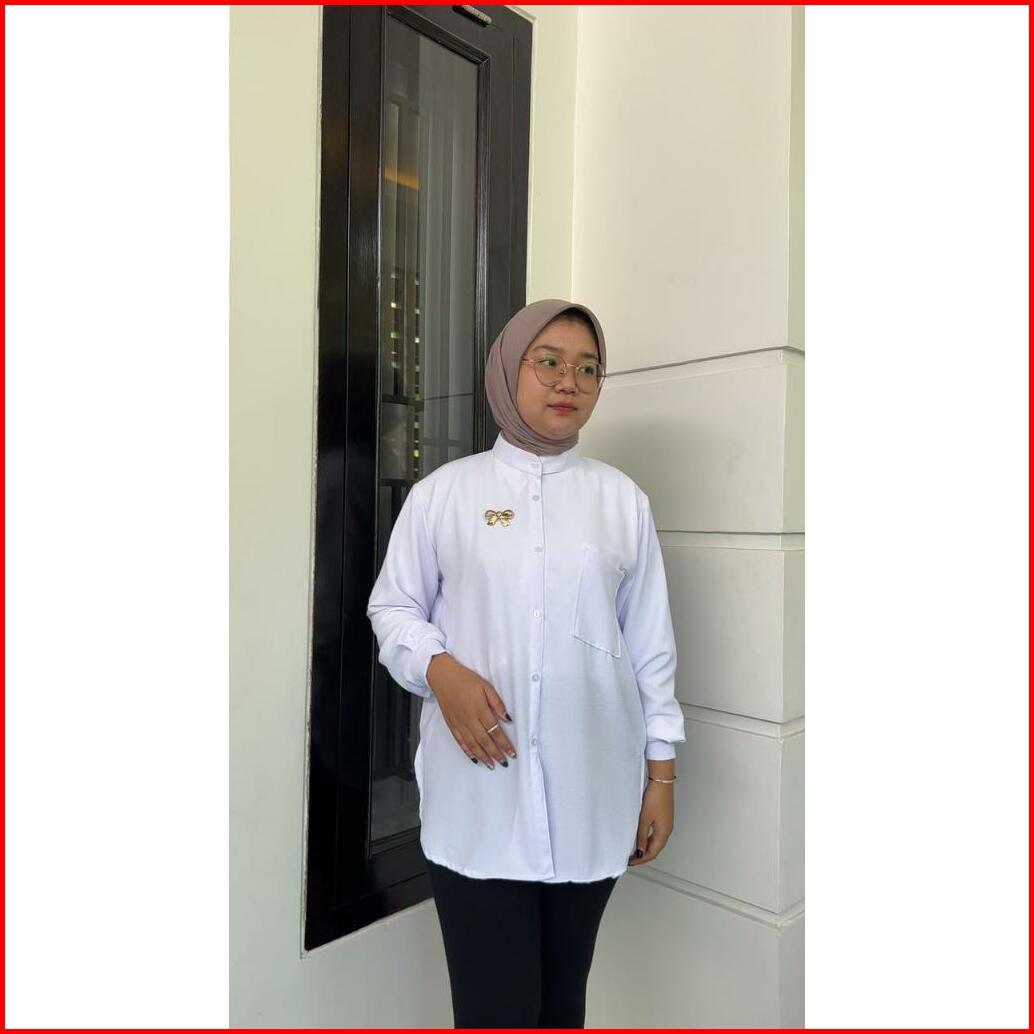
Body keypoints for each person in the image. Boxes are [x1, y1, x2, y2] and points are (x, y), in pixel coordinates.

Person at [366, 298, 686, 1029]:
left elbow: (651, 648)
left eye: (588, 368)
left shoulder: (622, 503)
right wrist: (440, 670)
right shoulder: (444, 495)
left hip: (591, 796)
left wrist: (661, 777)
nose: (568, 381)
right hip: (479, 804)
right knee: (493, 1012)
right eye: (548, 362)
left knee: (562, 1007)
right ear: (508, 370)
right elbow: (392, 610)